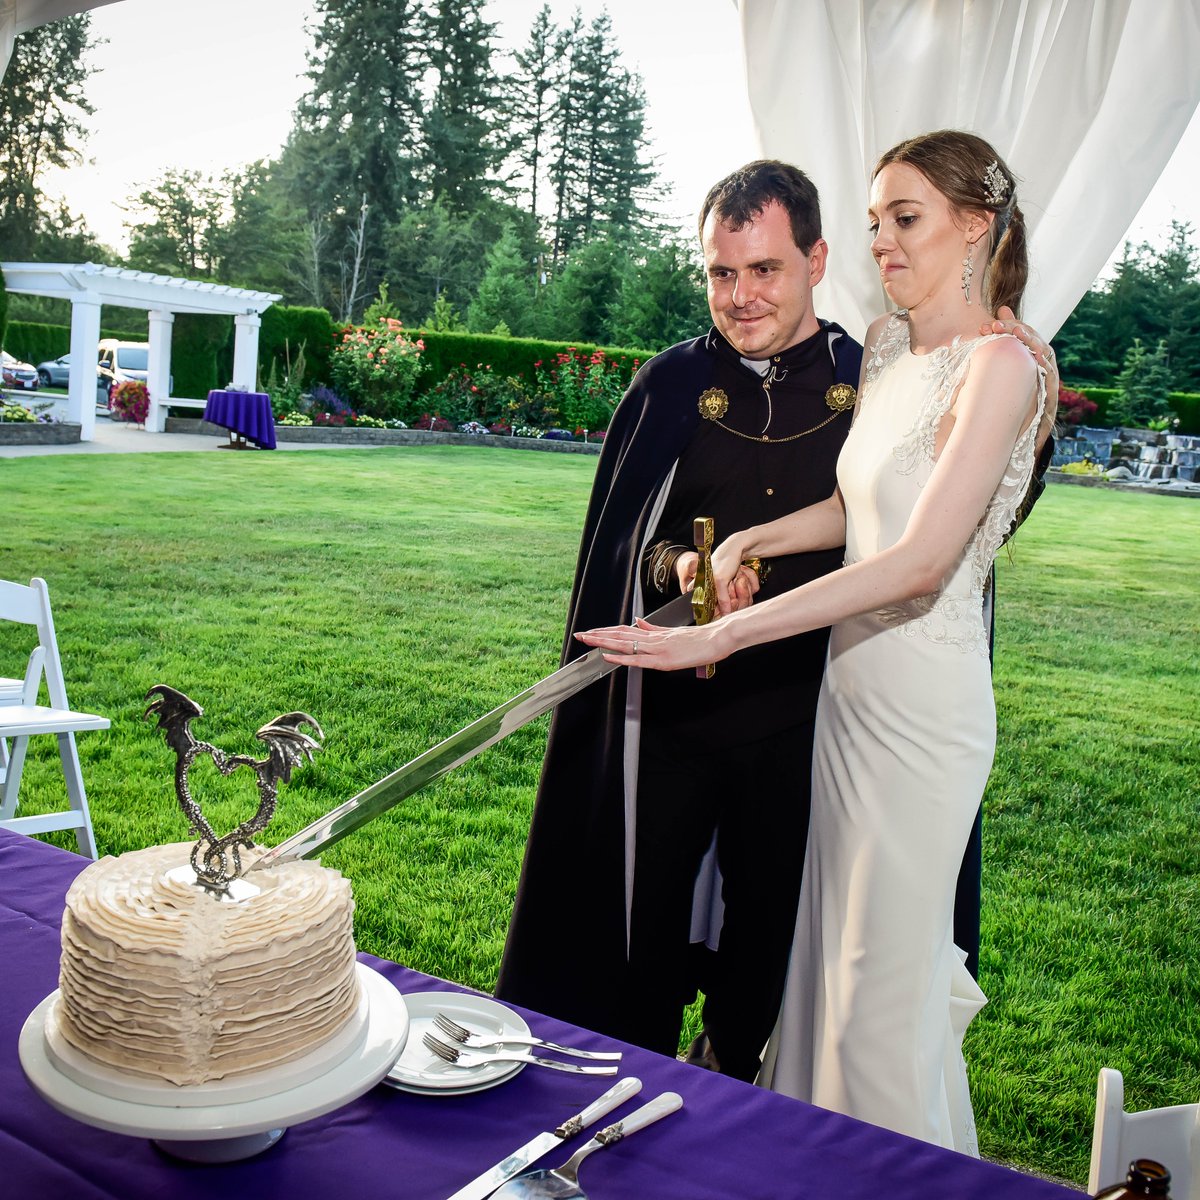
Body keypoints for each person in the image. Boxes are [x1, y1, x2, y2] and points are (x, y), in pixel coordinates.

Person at [577, 130, 1053, 1152]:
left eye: (906, 218)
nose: (884, 240)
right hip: (849, 699)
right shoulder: (888, 346)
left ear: (978, 226)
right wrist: (749, 540)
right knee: (827, 973)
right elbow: (856, 509)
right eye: (876, 220)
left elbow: (919, 560)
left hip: (921, 715)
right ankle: (804, 1157)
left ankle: (887, 1168)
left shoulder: (1005, 367)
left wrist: (730, 631)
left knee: (880, 987)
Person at [495, 161, 863, 1082]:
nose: (740, 297)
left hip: (803, 714)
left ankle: (737, 1077)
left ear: (817, 260)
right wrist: (683, 568)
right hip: (667, 719)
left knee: (771, 927)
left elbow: (900, 531)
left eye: (765, 269)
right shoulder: (670, 384)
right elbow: (631, 544)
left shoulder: (869, 385)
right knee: (637, 926)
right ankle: (630, 1082)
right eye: (720, 273)